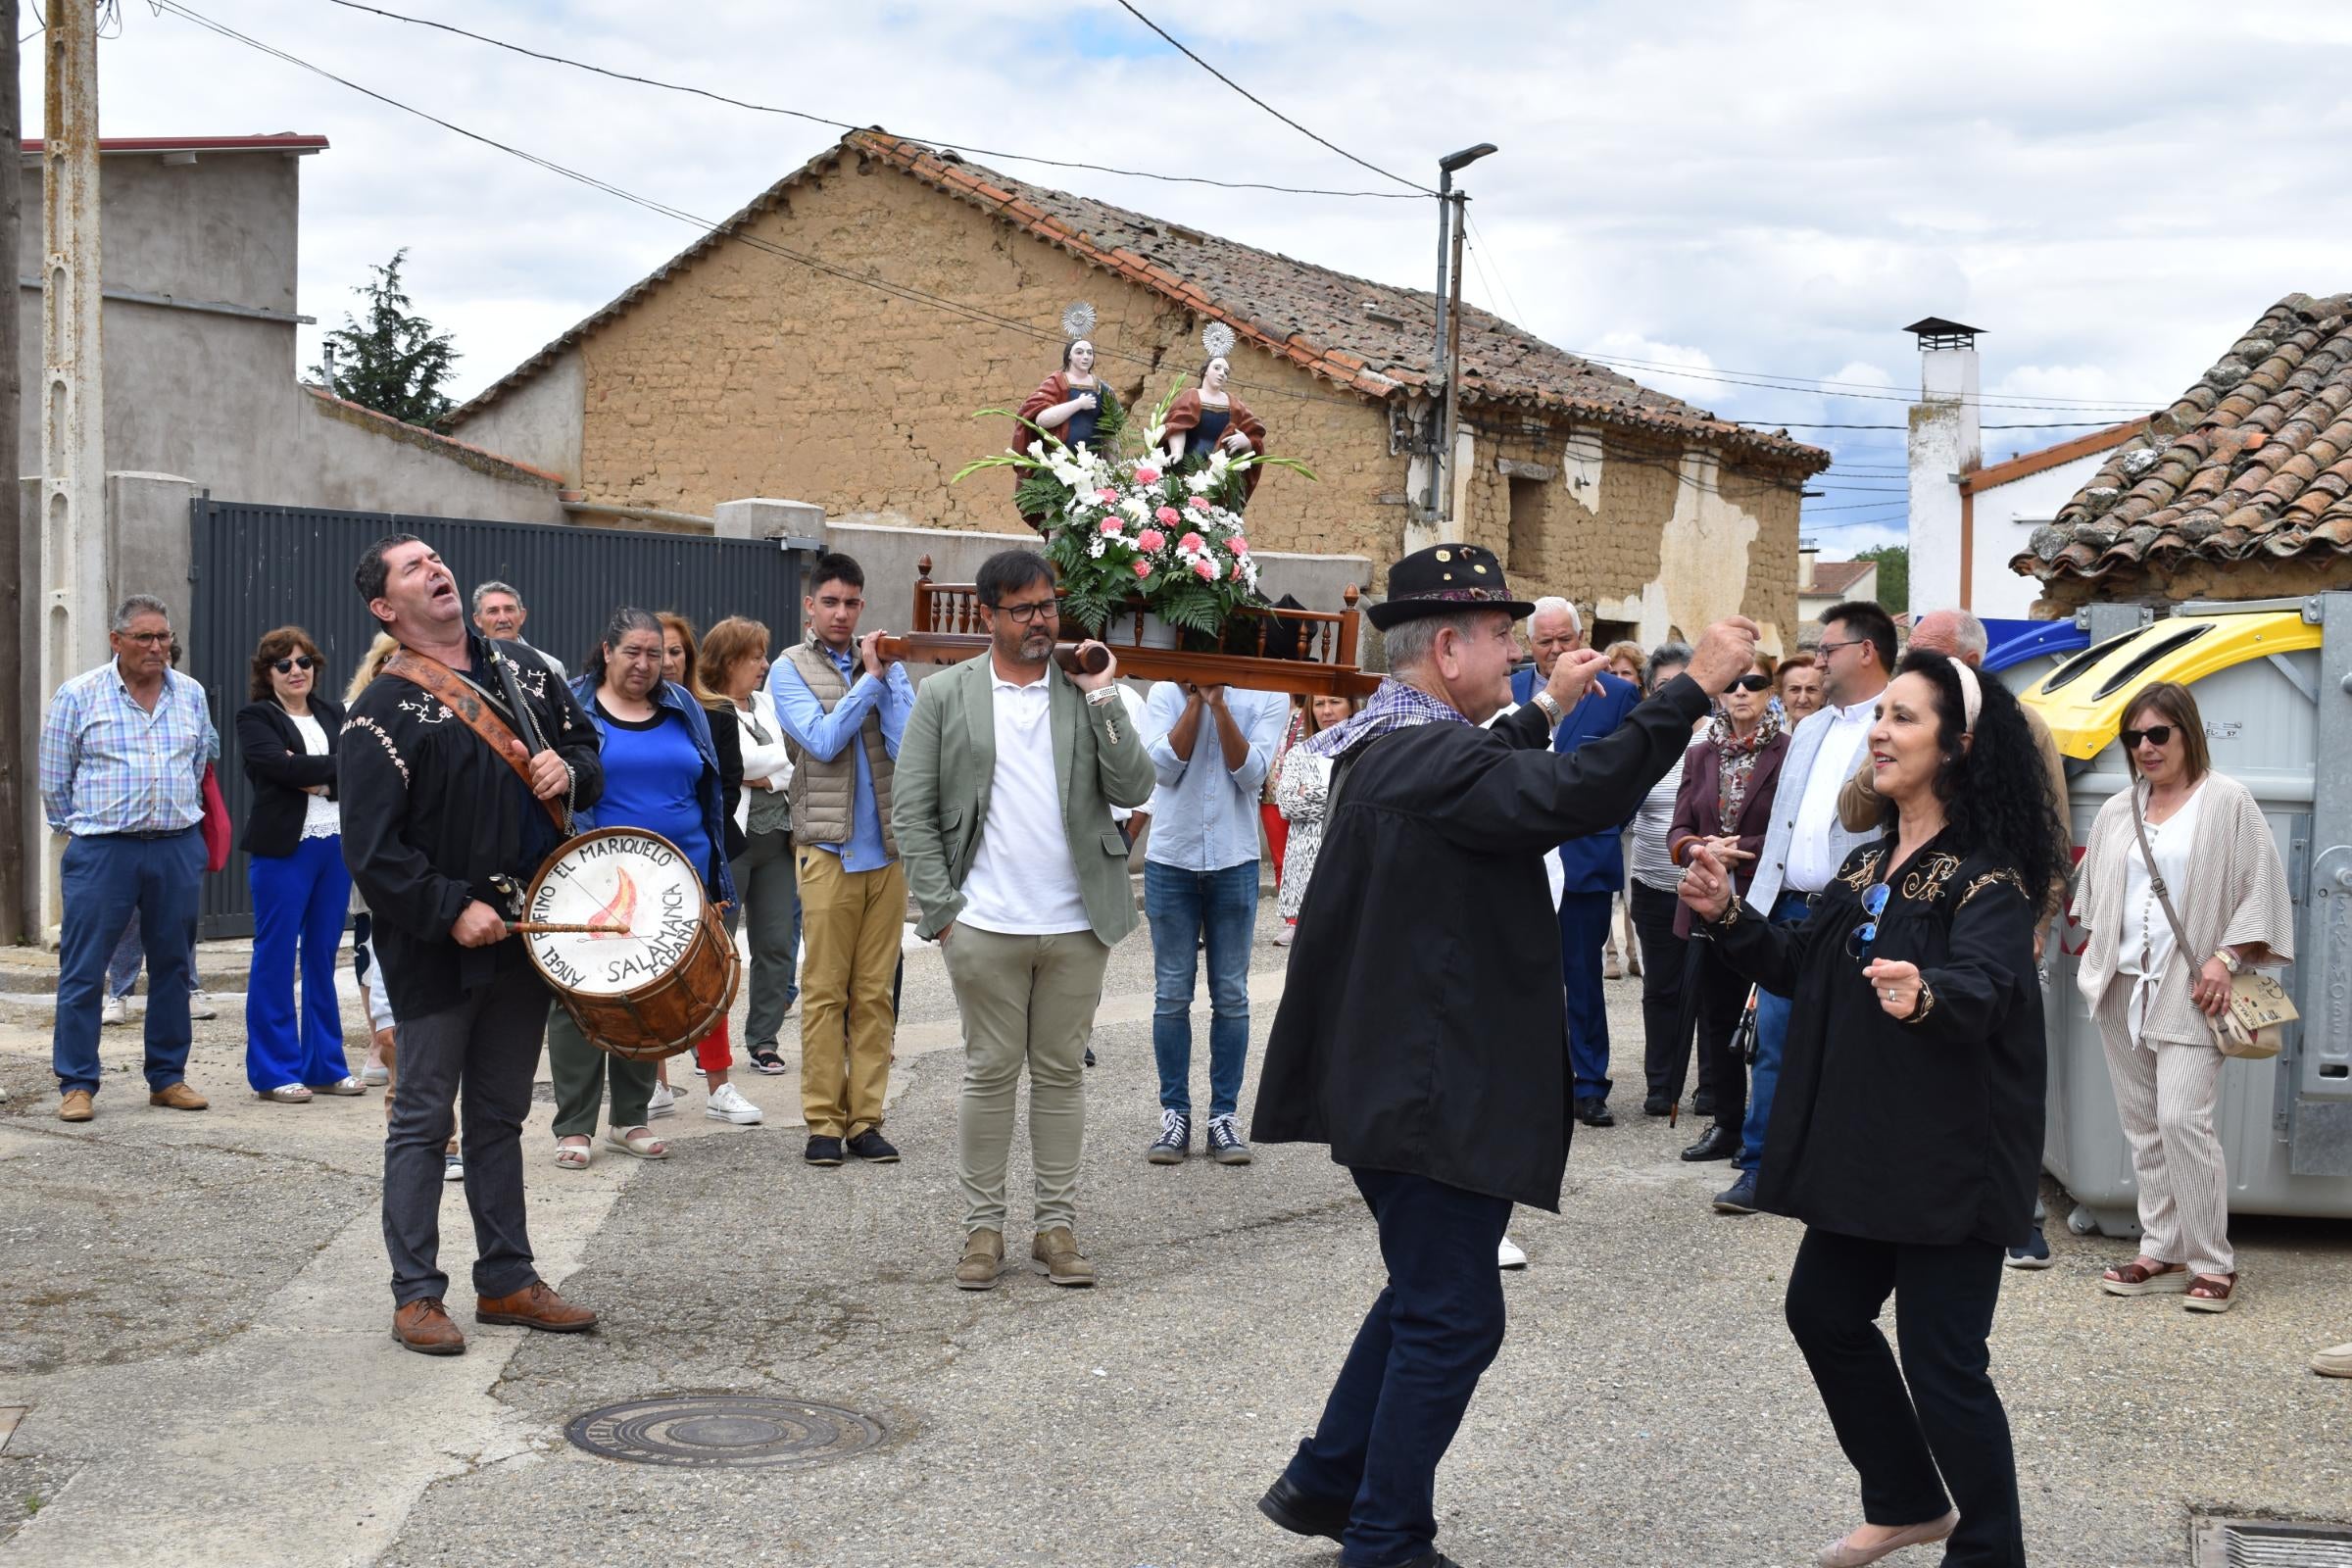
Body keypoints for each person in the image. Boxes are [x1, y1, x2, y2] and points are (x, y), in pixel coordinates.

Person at [1250, 541, 1757, 1568]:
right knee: (1454, 1316)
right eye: (1500, 637)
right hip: (1423, 1089)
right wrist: (1689, 689)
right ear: (1446, 647)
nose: (1519, 651)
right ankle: (1385, 1539)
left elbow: (1499, 770)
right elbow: (1564, 798)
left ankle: (1326, 1479)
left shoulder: (1401, 743)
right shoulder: (1421, 756)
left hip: (1405, 1078)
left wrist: (1546, 711)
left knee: (1425, 1295)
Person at [1679, 649, 2067, 1568]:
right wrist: (1731, 916)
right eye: (1880, 714)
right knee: (1823, 1313)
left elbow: (1986, 986)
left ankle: (1989, 1553)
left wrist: (1925, 995)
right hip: (1872, 1151)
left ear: (1958, 747)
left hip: (1953, 1158)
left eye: (1904, 718)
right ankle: (1904, 1499)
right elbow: (1801, 970)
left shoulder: (1989, 877)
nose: (1880, 732)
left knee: (1944, 1368)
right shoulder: (1865, 865)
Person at [341, 534, 604, 1354]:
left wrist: (572, 771)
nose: (436, 569)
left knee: (499, 1113)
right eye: (413, 568)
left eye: (435, 559)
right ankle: (416, 1294)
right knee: (423, 1119)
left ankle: (507, 1280)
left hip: (527, 932)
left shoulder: (527, 671)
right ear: (387, 607)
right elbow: (374, 851)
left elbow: (590, 754)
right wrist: (450, 908)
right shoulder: (377, 712)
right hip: (435, 946)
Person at [894, 551, 1154, 1291]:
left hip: (1078, 921)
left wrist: (1104, 693)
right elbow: (911, 810)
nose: (1042, 620)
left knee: (1062, 1074)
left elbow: (1136, 786)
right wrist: (944, 914)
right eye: (1024, 609)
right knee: (988, 1074)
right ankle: (982, 1232)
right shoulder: (945, 694)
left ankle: (1056, 1228)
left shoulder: (1083, 690)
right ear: (988, 616)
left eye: (1049, 605)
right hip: (985, 923)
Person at [2075, 681, 2293, 1314]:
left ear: (2187, 732)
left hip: (2194, 991)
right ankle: (2161, 1247)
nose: (2145, 747)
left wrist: (2225, 959)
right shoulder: (2121, 808)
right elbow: (2094, 892)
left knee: (2182, 1122)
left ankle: (2211, 1261)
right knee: (2143, 1128)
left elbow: (2263, 889)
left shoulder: (2228, 802)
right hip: (2123, 987)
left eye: (2158, 734)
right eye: (2134, 737)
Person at [1712, 600, 1894, 1216]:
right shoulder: (1811, 728)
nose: (1817, 661)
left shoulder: (1895, 722)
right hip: (1788, 907)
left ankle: (1843, 1168)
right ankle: (1761, 1168)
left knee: (1850, 1043)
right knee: (1773, 1041)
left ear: (1866, 651)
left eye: (1828, 649)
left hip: (1858, 912)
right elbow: (1785, 821)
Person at [548, 609, 744, 1166]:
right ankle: (574, 1126)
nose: (644, 664)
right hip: (596, 880)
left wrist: (710, 873)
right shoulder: (575, 709)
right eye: (632, 652)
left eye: (654, 654)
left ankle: (629, 1120)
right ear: (606, 652)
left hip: (678, 878)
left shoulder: (683, 708)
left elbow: (711, 789)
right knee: (582, 998)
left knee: (649, 994)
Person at [39, 595, 220, 1123]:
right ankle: (77, 1083)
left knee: (172, 966)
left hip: (175, 846)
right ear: (116, 641)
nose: (157, 647)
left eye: (162, 636)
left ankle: (167, 1077)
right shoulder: (78, 695)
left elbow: (199, 760)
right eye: (144, 637)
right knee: (83, 969)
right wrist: (86, 831)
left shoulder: (189, 694)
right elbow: (55, 782)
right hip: (103, 851)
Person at [771, 552, 916, 1166]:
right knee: (826, 992)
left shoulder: (886, 664)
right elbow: (825, 741)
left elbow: (912, 747)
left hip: (887, 852)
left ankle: (867, 1121)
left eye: (851, 603)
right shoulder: (788, 668)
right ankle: (823, 1124)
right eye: (829, 602)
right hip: (827, 851)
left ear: (863, 605)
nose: (840, 613)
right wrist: (871, 682)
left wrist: (884, 677)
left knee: (876, 994)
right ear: (811, 605)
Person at [1141, 672, 1289, 1165]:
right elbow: (1161, 768)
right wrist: (1194, 705)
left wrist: (1220, 706)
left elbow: (1251, 775)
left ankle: (1223, 1116)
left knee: (1231, 994)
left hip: (1234, 857)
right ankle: (1174, 1113)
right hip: (1171, 859)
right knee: (1171, 993)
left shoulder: (1269, 692)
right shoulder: (1163, 690)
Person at [1665, 650, 1790, 1153]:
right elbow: (1678, 826)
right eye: (1733, 683)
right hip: (1706, 904)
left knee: (1767, 1023)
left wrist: (1735, 851)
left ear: (1769, 692)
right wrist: (1697, 848)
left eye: (1754, 683)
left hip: (1763, 902)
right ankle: (1727, 1124)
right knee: (1716, 1017)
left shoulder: (1789, 750)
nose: (1741, 691)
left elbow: (1790, 829)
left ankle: (1768, 1134)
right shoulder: (1700, 752)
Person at [644, 612, 763, 1128]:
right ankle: (654, 1085)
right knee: (645, 971)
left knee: (708, 970)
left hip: (700, 858)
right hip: (637, 863)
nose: (666, 661)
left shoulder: (713, 712)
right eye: (656, 651)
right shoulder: (620, 710)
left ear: (689, 658)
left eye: (675, 652)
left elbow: (728, 785)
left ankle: (719, 1085)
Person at [235, 626, 362, 1103]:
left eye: (304, 662)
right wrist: (325, 771)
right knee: (275, 956)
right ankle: (273, 1070)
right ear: (267, 673)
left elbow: (358, 766)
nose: (296, 671)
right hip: (283, 849)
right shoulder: (255, 718)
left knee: (323, 956)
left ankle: (325, 1064)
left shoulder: (335, 713)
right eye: (284, 664)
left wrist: (317, 777)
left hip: (334, 846)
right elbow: (275, 767)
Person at [1551, 607, 1644, 1128]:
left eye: (1565, 637)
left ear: (1582, 638)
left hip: (1584, 859)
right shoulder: (1512, 690)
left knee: (1582, 977)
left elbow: (1631, 773)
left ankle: (1589, 1084)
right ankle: (1532, 1079)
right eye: (1545, 640)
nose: (1555, 648)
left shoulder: (1618, 694)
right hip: (1518, 861)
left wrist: (1607, 823)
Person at [703, 615, 802, 1074]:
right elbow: (733, 762)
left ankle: (763, 1039)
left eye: (763, 655)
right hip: (732, 842)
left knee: (778, 943)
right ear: (728, 660)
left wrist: (761, 773)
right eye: (755, 656)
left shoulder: (765, 703)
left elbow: (787, 762)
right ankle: (706, 1044)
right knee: (717, 948)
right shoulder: (708, 705)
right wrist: (761, 771)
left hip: (777, 840)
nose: (764, 664)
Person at [1622, 643, 1707, 1118]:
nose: (1672, 696)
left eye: (1682, 686)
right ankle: (1662, 1085)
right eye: (1662, 688)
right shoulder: (1645, 743)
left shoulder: (1717, 740)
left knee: (1713, 990)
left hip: (1712, 891)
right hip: (1654, 887)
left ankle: (1711, 1086)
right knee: (1661, 989)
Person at [1272, 694, 1359, 931]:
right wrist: (1340, 797)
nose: (1326, 711)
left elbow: (1360, 801)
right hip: (1305, 867)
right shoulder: (1299, 753)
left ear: (1352, 706)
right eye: (1319, 704)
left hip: (1347, 859)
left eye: (1335, 702)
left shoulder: (1362, 752)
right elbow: (1287, 804)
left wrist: (1307, 791)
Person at [1160, 355, 1268, 504]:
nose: (1222, 373)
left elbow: (1255, 433)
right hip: (1187, 465)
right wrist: (1177, 451)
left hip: (1220, 473)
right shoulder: (1192, 396)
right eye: (1216, 368)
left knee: (1213, 509)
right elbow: (1177, 425)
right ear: (1205, 371)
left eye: (1226, 372)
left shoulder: (1234, 405)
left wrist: (1246, 442)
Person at [1264, 699, 1306, 946]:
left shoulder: (1309, 710)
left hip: (1299, 794)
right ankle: (1291, 921)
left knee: (1303, 856)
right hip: (1270, 793)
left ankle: (1307, 917)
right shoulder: (1270, 707)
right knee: (1280, 859)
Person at [471, 579, 567, 679]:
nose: (503, 619)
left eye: (509, 610)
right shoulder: (469, 665)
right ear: (478, 620)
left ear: (522, 616)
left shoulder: (551, 666)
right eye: (493, 611)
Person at [1777, 651, 1825, 724]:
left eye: (1811, 689)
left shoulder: (1841, 735)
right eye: (1795, 689)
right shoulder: (1771, 736)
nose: (1802, 700)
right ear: (1782, 697)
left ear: (1824, 697)